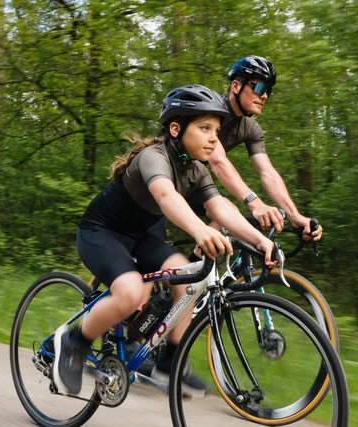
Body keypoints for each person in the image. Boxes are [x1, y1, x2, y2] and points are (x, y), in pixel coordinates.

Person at [53, 84, 277, 398]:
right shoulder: (152, 156)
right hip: (102, 232)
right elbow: (166, 196)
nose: (214, 137)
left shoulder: (196, 169)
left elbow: (220, 208)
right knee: (131, 293)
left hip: (143, 236)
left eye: (216, 129)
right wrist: (201, 231)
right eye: (204, 128)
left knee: (187, 279)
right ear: (176, 128)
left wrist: (258, 241)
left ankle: (170, 360)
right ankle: (75, 341)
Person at [151, 55, 323, 250]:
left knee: (228, 213)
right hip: (159, 180)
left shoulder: (251, 128)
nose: (264, 95)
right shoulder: (211, 111)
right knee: (152, 257)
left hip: (187, 181)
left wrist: (294, 215)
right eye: (259, 88)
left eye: (268, 91)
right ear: (235, 86)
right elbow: (218, 162)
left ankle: (196, 270)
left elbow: (267, 172)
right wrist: (255, 203)